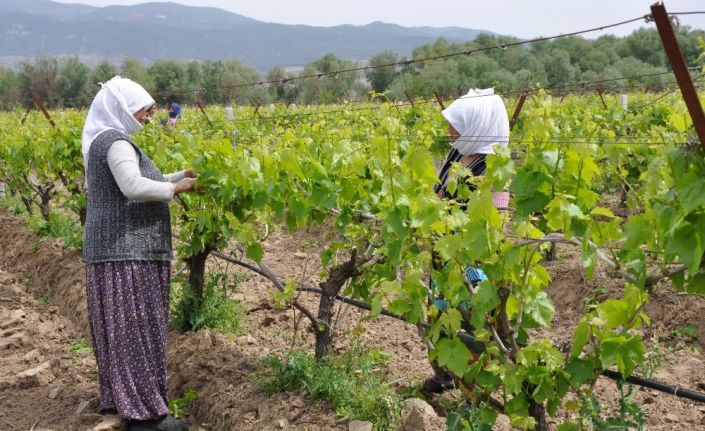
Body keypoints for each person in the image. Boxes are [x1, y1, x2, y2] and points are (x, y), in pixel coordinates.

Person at [81, 76, 197, 431]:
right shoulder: (116, 142)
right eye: (144, 110)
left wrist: (179, 175)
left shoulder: (105, 140)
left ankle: (125, 402)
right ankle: (147, 417)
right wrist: (175, 187)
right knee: (136, 329)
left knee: (121, 331)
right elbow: (132, 186)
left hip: (114, 251)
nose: (149, 116)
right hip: (126, 251)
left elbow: (141, 177)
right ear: (122, 107)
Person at [423, 88, 510, 394]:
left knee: (472, 324)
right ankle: (445, 373)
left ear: (478, 124)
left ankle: (473, 391)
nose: (449, 130)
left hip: (472, 261)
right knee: (437, 313)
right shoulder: (458, 151)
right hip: (442, 253)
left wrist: (468, 256)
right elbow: (438, 193)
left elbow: (496, 222)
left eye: (456, 124)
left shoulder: (496, 167)